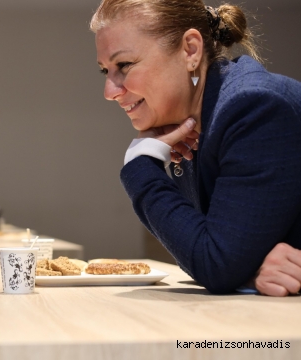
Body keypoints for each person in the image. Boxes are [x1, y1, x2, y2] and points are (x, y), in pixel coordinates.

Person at [91, 0, 301, 296]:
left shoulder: (254, 107)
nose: (109, 92)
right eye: (105, 71)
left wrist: (140, 164)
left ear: (190, 50)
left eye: (124, 65)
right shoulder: (190, 124)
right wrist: (246, 272)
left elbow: (214, 264)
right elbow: (204, 253)